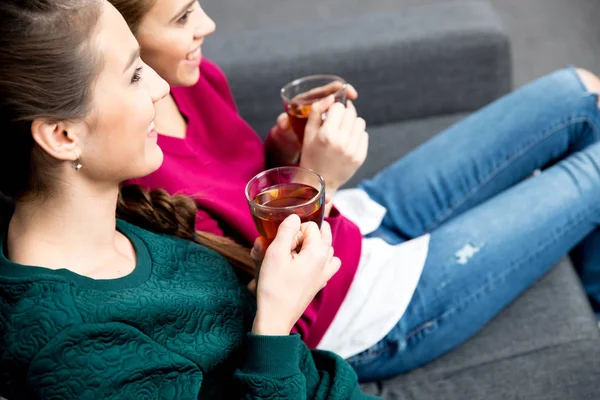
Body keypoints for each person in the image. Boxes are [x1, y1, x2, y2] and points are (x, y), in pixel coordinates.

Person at [111, 0, 600, 382]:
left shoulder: (189, 78)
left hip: (355, 222)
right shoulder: (138, 177)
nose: (209, 24)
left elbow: (242, 188)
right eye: (182, 18)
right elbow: (277, 309)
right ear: (121, 46)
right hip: (350, 308)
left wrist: (286, 150)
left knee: (579, 92)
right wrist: (315, 177)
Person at [0, 1, 381, 399]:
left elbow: (214, 342)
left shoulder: (121, 225)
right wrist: (273, 322)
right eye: (134, 74)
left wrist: (264, 288)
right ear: (62, 136)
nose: (161, 88)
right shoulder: (69, 349)